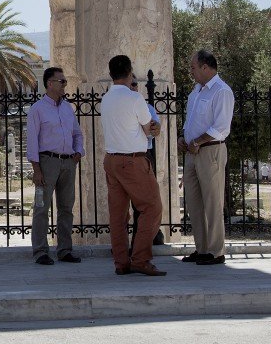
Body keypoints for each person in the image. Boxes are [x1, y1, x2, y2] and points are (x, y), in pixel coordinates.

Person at [100, 55, 166, 276]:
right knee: (152, 207)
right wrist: (154, 127)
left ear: (111, 75)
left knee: (118, 216)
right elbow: (150, 129)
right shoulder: (135, 98)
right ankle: (140, 258)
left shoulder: (106, 99)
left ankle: (121, 262)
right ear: (130, 72)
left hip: (111, 160)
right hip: (133, 160)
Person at [178, 50, 234, 266]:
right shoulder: (196, 92)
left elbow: (221, 127)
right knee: (193, 203)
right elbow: (190, 121)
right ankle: (201, 249)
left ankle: (216, 251)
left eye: (193, 67)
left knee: (212, 202)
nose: (191, 71)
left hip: (210, 151)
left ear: (205, 67)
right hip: (192, 152)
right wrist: (184, 137)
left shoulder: (221, 91)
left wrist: (197, 142)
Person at [26, 67, 84, 265]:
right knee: (41, 207)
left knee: (66, 207)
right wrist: (36, 169)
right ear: (49, 83)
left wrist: (78, 152)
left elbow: (77, 133)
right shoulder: (37, 109)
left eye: (65, 81)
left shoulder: (68, 108)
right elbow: (32, 140)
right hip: (46, 162)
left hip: (69, 162)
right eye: (62, 81)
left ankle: (64, 250)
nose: (65, 84)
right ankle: (41, 251)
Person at [128, 75, 164, 247]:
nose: (134, 87)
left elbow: (154, 130)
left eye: (135, 84)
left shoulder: (147, 107)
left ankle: (140, 243)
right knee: (121, 205)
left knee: (143, 203)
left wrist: (154, 128)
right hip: (124, 155)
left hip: (143, 154)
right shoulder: (118, 107)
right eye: (131, 84)